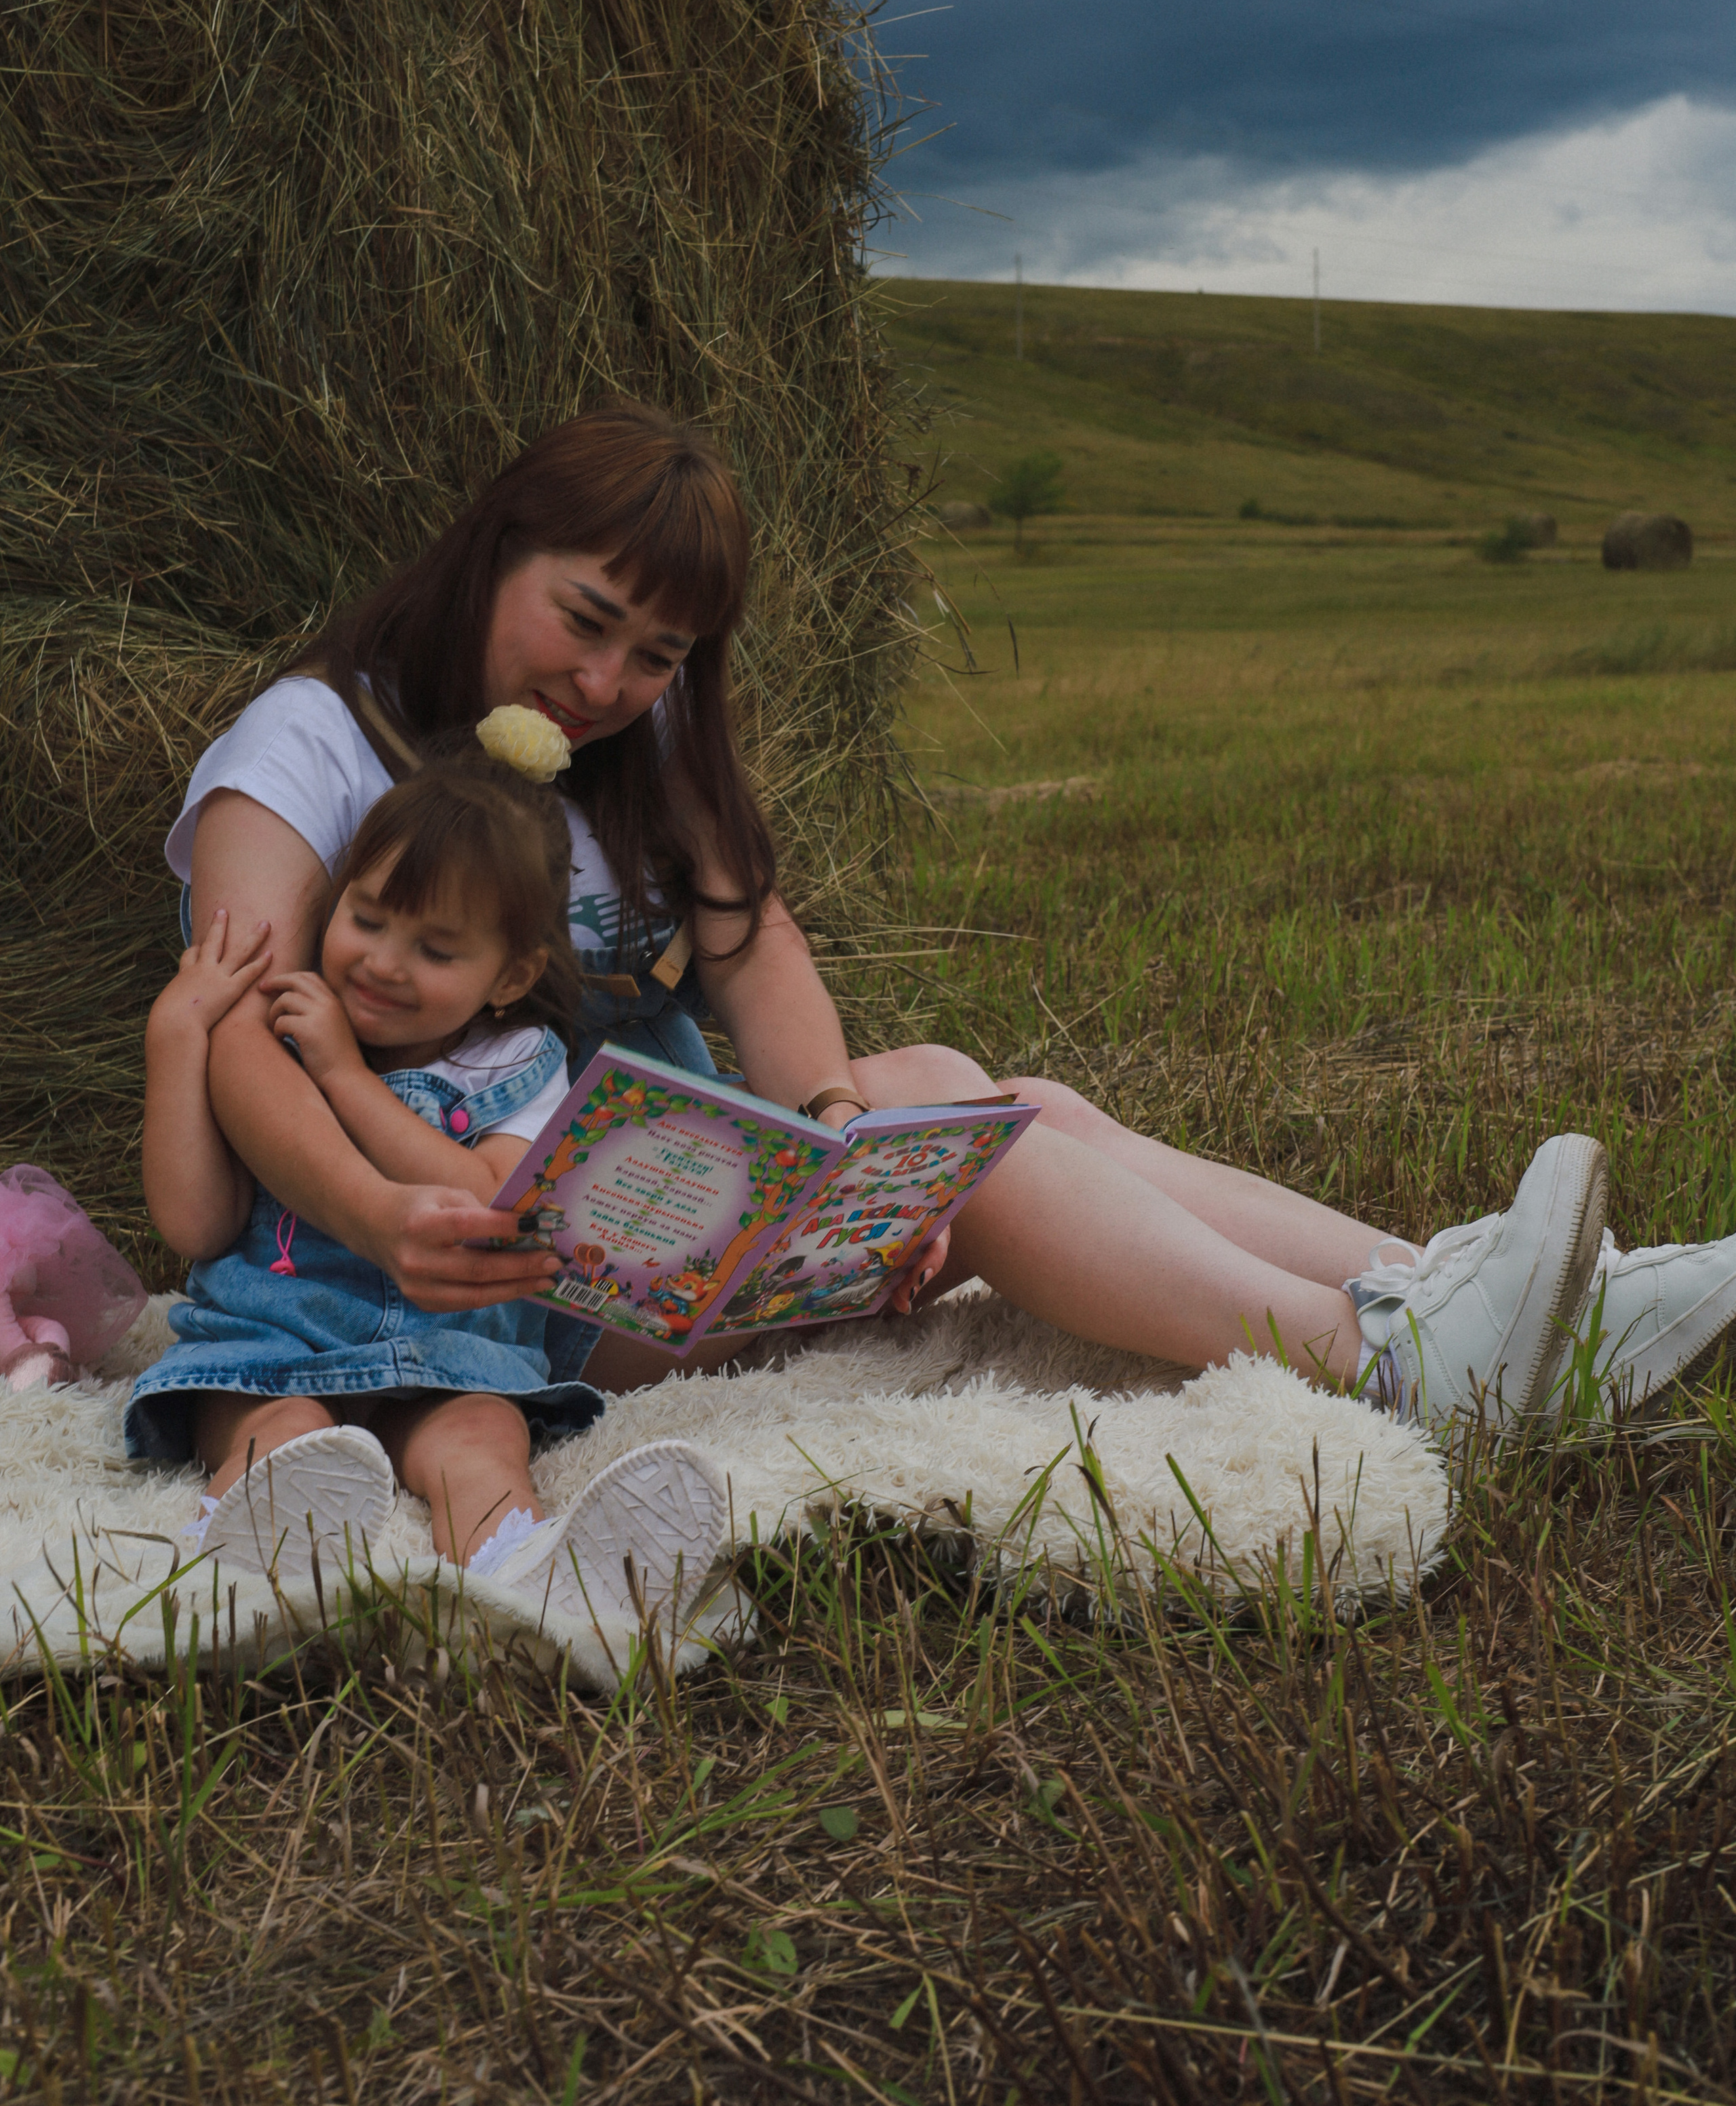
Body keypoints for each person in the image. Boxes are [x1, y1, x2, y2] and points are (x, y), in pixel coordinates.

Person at [155, 401, 1736, 1572]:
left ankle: (1515, 1308)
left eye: (655, 658)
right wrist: (381, 1223)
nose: (606, 681)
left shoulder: (638, 756)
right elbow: (238, 1025)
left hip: (661, 1221)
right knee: (973, 1137)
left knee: (979, 1101)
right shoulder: (313, 743)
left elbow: (753, 947)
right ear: (493, 545)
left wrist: (836, 1126)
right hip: (499, 1285)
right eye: (586, 621)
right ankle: (1385, 1356)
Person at [134, 729, 726, 1618]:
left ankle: (543, 1583)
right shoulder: (282, 1026)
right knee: (284, 1434)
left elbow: (484, 1198)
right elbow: (195, 1223)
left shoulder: (521, 1060)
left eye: (436, 950)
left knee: (483, 1443)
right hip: (275, 1345)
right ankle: (242, 1560)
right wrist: (176, 1037)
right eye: (366, 918)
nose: (381, 961)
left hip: (454, 1359)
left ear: (509, 975)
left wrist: (345, 1079)